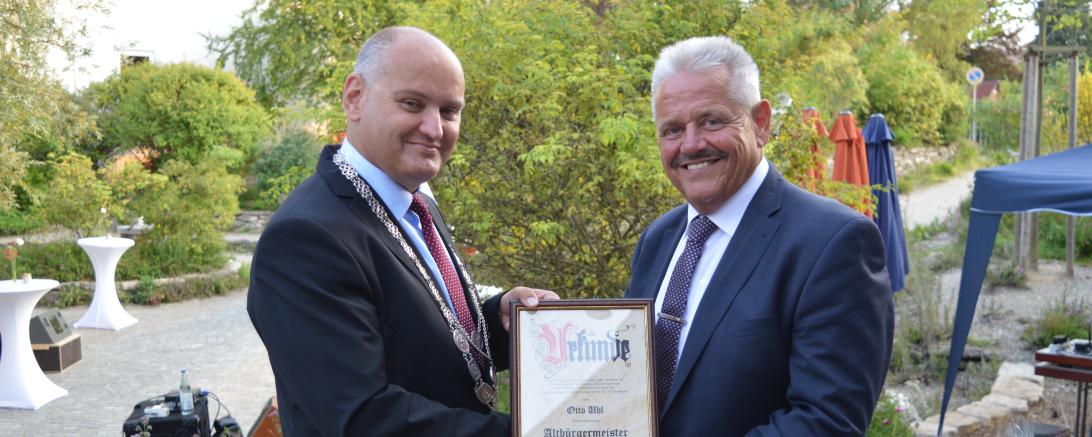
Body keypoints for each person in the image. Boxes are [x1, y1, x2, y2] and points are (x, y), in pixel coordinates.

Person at [247, 26, 556, 436]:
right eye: (413, 104)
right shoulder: (306, 237)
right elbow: (362, 417)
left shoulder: (414, 201)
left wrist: (496, 325)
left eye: (450, 111)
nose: (434, 128)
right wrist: (534, 431)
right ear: (355, 97)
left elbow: (411, 337)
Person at [625, 36, 894, 436]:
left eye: (712, 121)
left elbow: (827, 422)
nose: (691, 144)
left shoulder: (833, 243)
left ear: (761, 122)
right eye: (672, 130)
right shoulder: (658, 239)